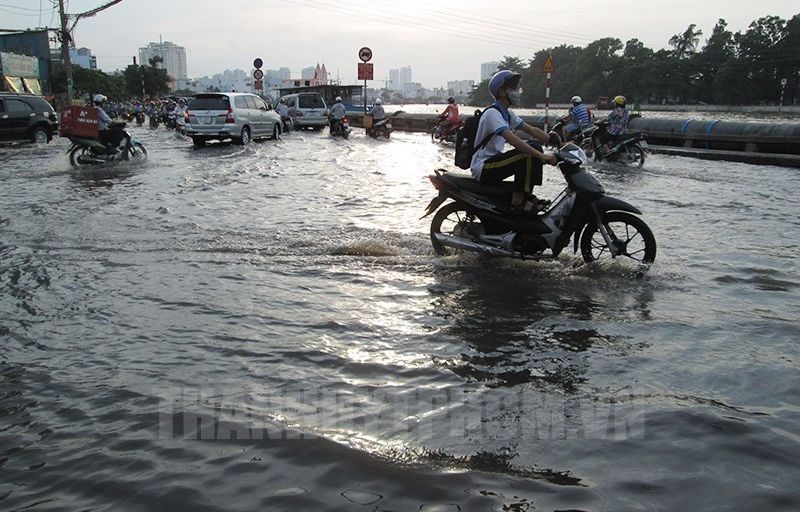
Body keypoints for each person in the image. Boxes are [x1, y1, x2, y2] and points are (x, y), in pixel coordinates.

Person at [470, 70, 557, 213]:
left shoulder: (507, 114)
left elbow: (532, 130)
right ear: (502, 92)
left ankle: (527, 196)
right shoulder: (492, 114)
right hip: (483, 166)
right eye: (513, 88)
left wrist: (555, 142)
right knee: (528, 153)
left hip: (495, 162)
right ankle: (518, 201)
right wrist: (543, 157)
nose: (517, 91)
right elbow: (512, 139)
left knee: (535, 147)